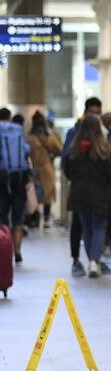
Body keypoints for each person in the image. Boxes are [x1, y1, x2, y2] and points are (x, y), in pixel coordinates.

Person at [63, 116, 111, 278]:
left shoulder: (74, 150)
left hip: (79, 195)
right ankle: (94, 261)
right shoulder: (103, 150)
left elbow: (68, 172)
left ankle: (92, 261)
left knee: (86, 228)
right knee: (99, 227)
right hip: (100, 194)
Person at [62, 97, 104, 277]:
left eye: (98, 112)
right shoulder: (75, 133)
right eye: (93, 112)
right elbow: (66, 161)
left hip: (83, 189)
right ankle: (81, 259)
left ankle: (94, 259)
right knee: (83, 225)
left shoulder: (100, 133)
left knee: (89, 225)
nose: (95, 115)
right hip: (90, 189)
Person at [0, 107, 32, 263]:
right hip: (19, 178)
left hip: (2, 179)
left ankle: (5, 249)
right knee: (18, 216)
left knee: (3, 216)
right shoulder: (18, 130)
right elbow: (27, 151)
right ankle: (17, 251)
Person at [25, 111, 62, 231]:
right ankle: (46, 221)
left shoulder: (29, 137)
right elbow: (60, 150)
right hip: (47, 168)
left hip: (34, 169)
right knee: (48, 195)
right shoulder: (49, 137)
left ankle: (34, 220)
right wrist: (52, 156)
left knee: (34, 195)